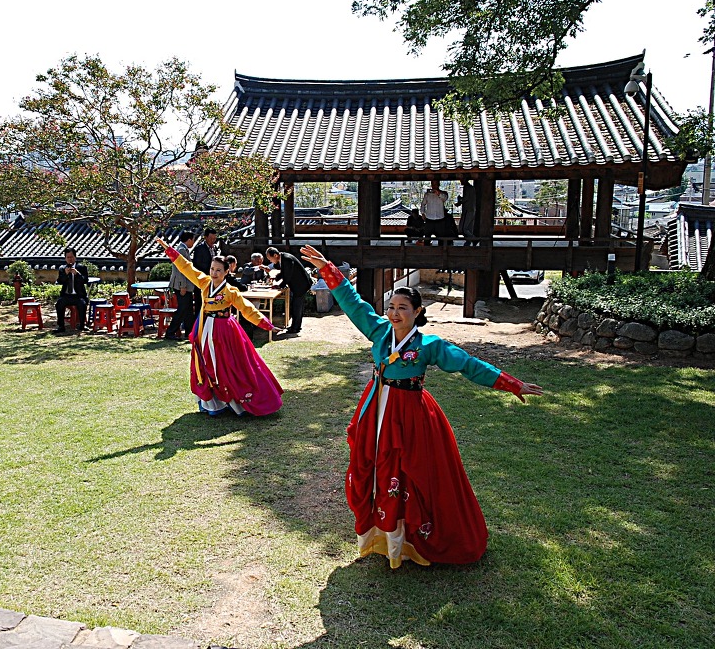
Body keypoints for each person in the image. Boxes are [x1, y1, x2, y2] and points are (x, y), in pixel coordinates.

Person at [298, 245, 543, 568]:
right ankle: (384, 537)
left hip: (410, 413)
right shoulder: (380, 332)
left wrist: (509, 383)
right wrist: (327, 269)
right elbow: (353, 303)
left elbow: (468, 364)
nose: (394, 313)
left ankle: (412, 539)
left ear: (417, 311)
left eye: (402, 308)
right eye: (391, 307)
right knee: (377, 468)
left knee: (411, 472)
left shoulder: (429, 345)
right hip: (377, 406)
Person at [157, 238, 284, 417]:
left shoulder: (230, 292)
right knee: (207, 364)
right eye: (212, 269)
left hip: (225, 331)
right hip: (205, 329)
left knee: (229, 365)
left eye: (218, 270)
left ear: (226, 272)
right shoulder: (204, 282)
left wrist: (267, 325)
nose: (214, 273)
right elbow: (186, 267)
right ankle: (213, 403)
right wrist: (170, 251)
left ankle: (235, 401)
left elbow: (247, 309)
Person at [266, 247, 312, 334]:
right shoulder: (283, 257)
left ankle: (295, 328)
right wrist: (276, 277)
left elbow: (288, 276)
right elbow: (284, 272)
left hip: (301, 285)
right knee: (296, 306)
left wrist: (279, 286)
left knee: (296, 307)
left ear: (275, 255)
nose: (270, 261)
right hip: (299, 284)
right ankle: (296, 326)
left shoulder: (287, 259)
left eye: (270, 258)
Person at [166, 231, 196, 341]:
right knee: (182, 309)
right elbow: (181, 269)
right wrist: (182, 286)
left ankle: (189, 332)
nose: (193, 242)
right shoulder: (182, 250)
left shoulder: (182, 249)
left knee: (188, 310)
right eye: (193, 240)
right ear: (189, 239)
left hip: (184, 285)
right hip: (182, 285)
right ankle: (170, 332)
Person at [54, 247, 89, 333]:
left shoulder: (81, 267)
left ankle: (82, 325)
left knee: (82, 304)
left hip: (78, 295)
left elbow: (85, 280)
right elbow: (59, 281)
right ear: (65, 258)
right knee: (59, 304)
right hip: (66, 295)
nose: (70, 259)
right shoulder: (62, 268)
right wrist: (65, 274)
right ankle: (61, 326)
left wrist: (77, 274)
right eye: (68, 257)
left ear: (75, 257)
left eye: (71, 257)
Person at [191, 227, 218, 316]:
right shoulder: (200, 248)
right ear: (205, 237)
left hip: (212, 281)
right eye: (211, 238)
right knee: (200, 304)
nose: (213, 240)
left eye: (214, 238)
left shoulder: (214, 248)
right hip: (202, 280)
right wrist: (212, 270)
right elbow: (198, 265)